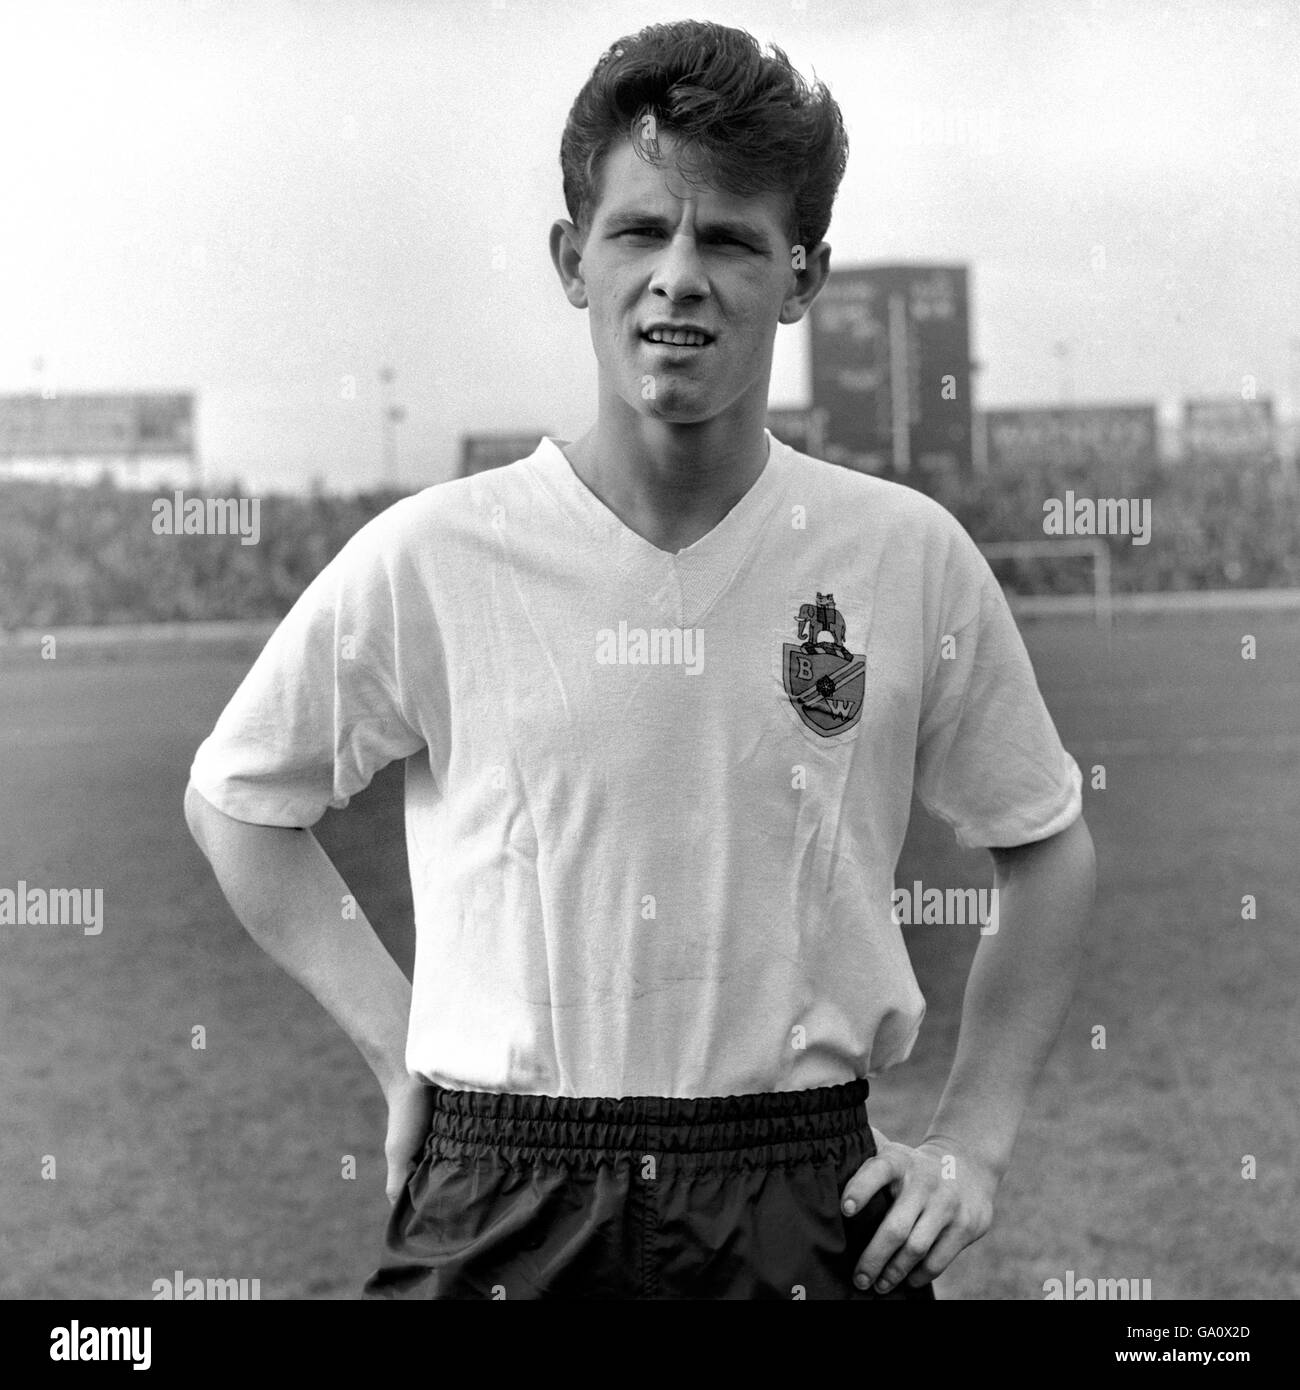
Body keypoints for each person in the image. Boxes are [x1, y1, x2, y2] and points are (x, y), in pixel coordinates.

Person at [184, 18, 1095, 1300]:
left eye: (727, 238)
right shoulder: (438, 552)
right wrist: (402, 1056)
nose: (679, 275)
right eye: (639, 232)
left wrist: (974, 1141)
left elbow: (1046, 839)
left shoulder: (905, 554)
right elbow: (236, 798)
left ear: (800, 273)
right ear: (574, 260)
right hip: (502, 1181)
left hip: (795, 1184)